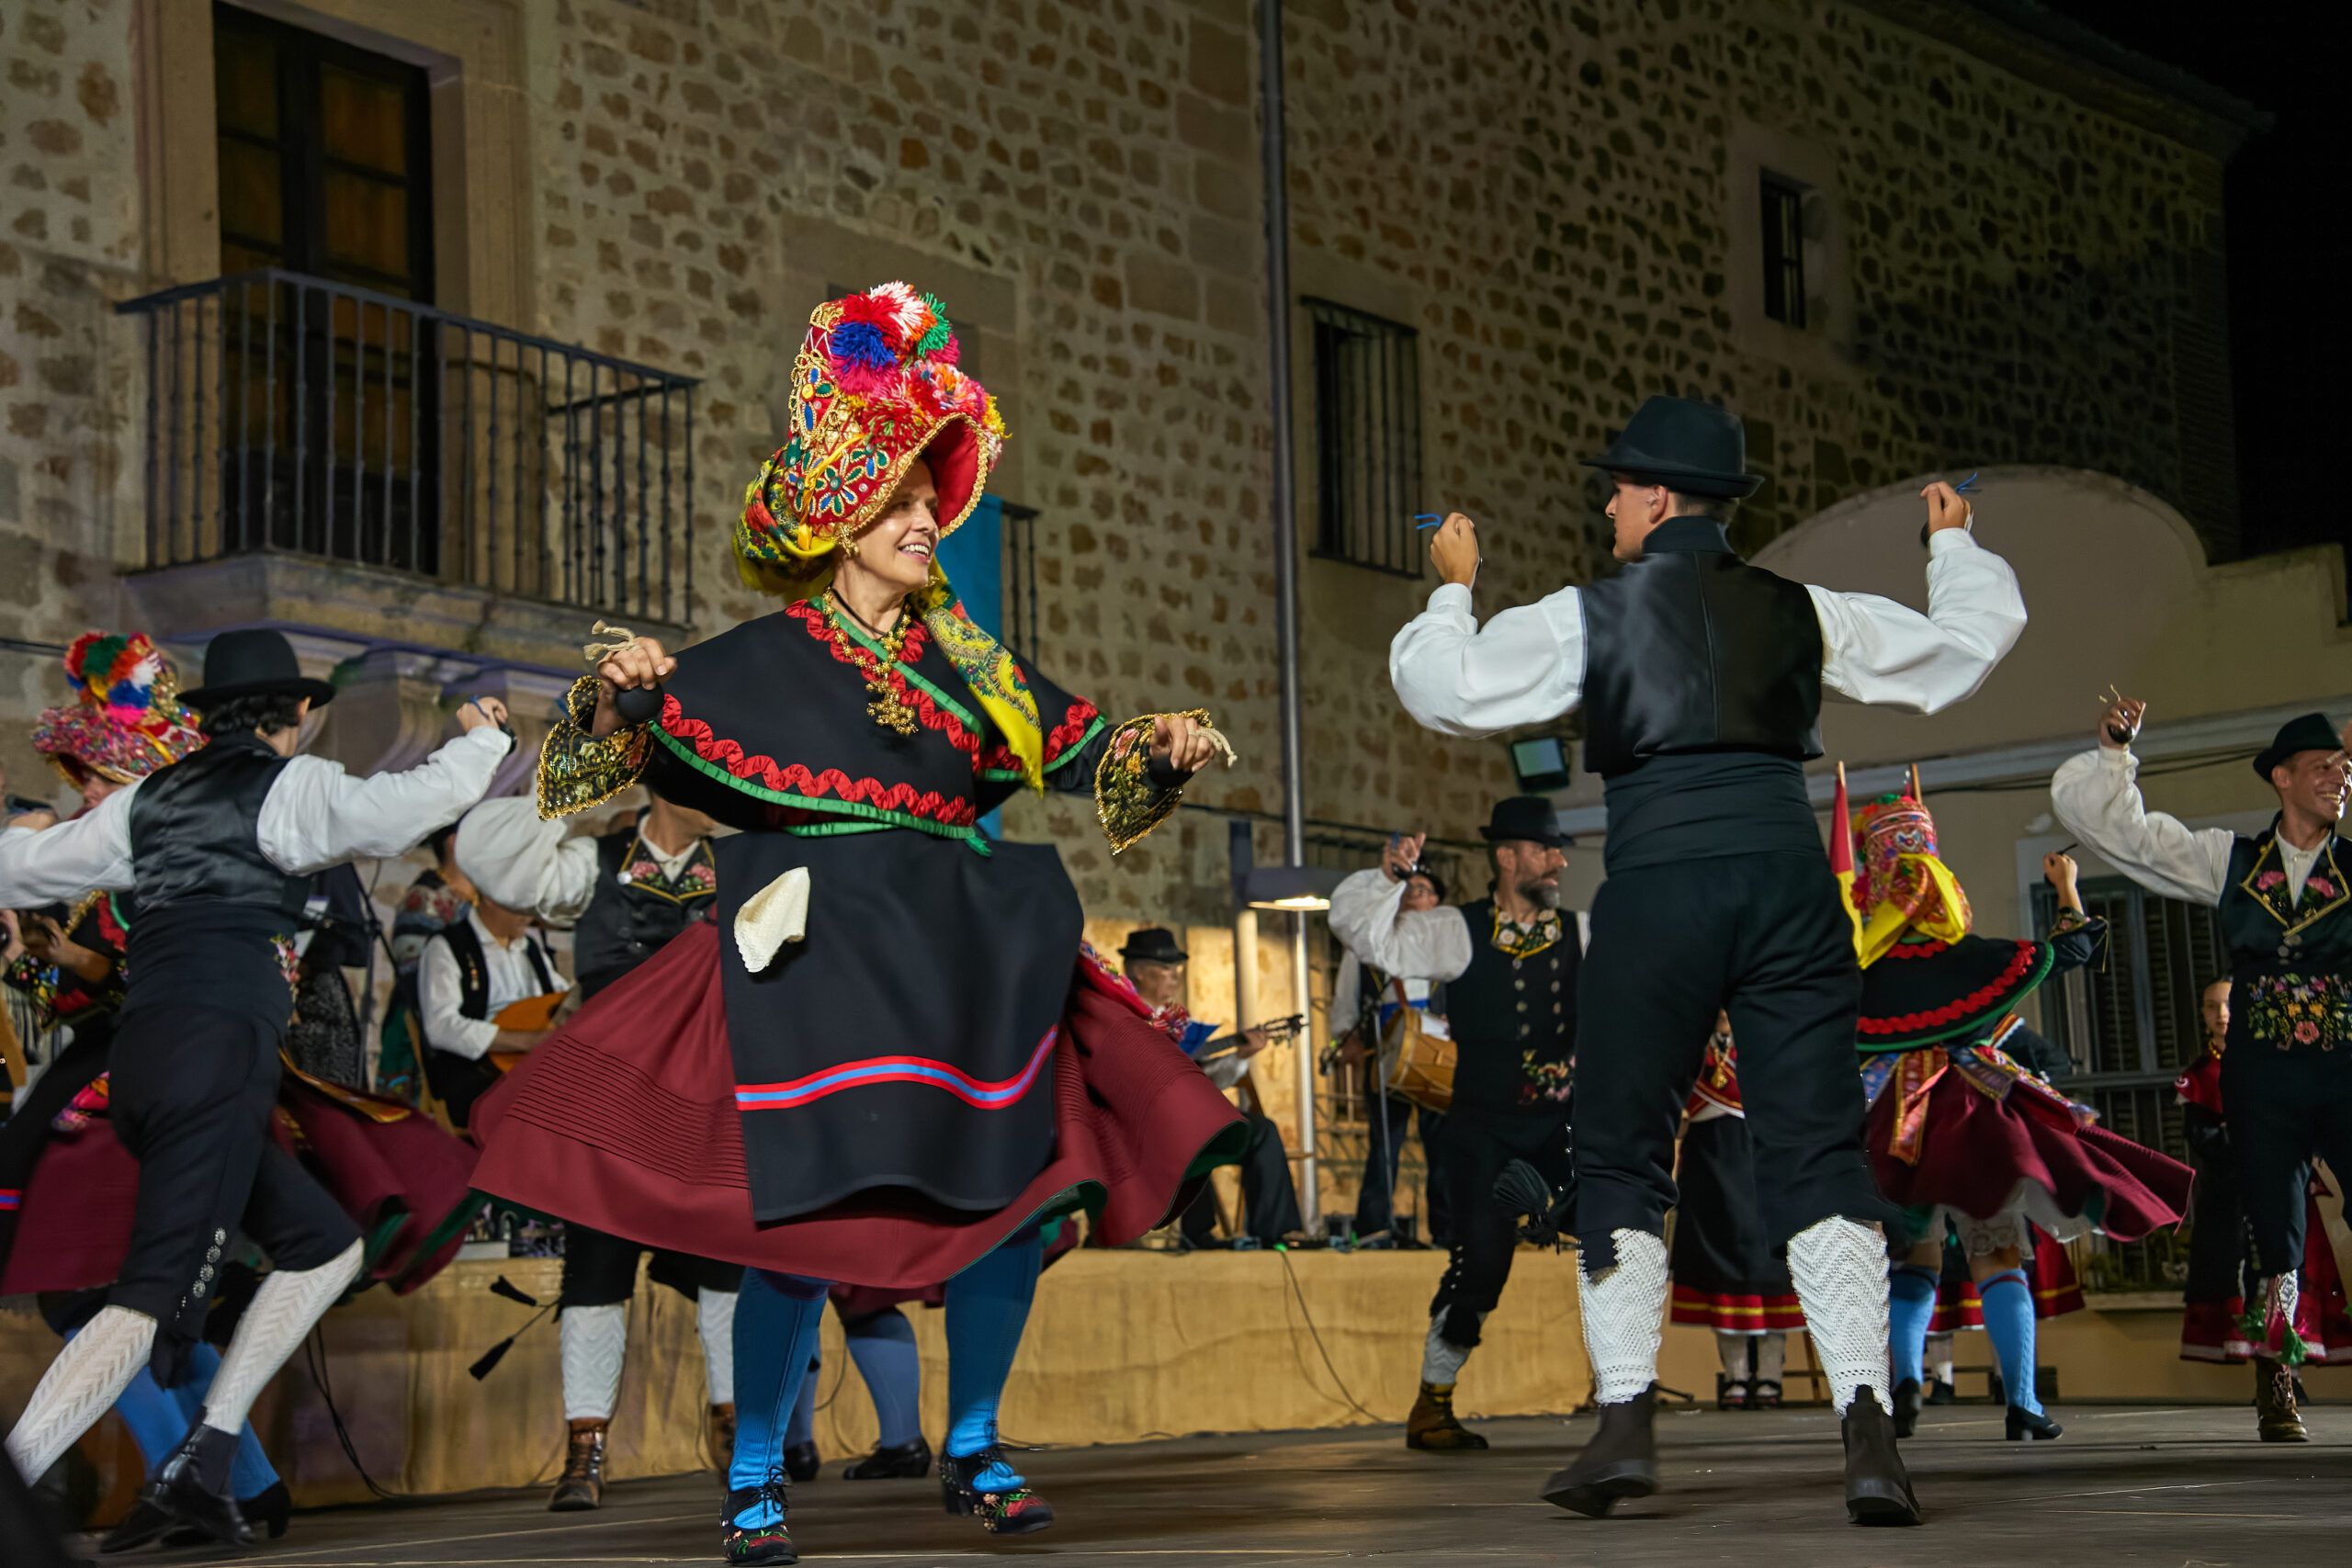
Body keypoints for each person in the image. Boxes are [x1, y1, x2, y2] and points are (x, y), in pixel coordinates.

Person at [464, 282, 1246, 1565]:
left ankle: (978, 1440)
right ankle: (760, 1466)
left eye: (930, 498)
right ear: (838, 524)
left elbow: (1088, 749)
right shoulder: (754, 662)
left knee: (1019, 1198)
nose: (927, 517)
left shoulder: (971, 666)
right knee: (808, 1225)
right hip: (821, 963)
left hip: (961, 955)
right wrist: (619, 696)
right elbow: (580, 774)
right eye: (897, 502)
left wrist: (1161, 743)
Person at [1388, 396, 2027, 1524]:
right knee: (1818, 1150)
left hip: (1662, 889)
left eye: (1618, 488)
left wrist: (1451, 584)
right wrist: (1953, 545)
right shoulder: (1802, 609)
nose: (1606, 505)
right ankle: (1869, 1435)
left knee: (1623, 1148)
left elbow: (1445, 690)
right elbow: (1957, 655)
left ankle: (1625, 1424)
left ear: (1657, 497)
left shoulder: (1590, 613)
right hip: (1786, 886)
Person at [0, 626, 510, 1551]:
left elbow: (23, 868)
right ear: (300, 715)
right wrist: (483, 737)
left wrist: (23, 831)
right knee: (147, 1295)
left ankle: (204, 1459)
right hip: (218, 1050)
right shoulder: (293, 786)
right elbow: (407, 810)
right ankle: (16, 1482)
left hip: (147, 1059)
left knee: (323, 1245)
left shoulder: (150, 799)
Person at [1840, 801, 2191, 1442]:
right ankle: (2023, 1400)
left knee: (1912, 1261)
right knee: (1997, 1255)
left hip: (1895, 1122)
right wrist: (2066, 888)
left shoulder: (1860, 979)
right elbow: (2072, 948)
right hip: (1974, 1117)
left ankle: (1906, 1382)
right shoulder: (1977, 960)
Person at [2055, 703, 2352, 1440]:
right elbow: (2129, 837)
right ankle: (2277, 1376)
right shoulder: (2230, 859)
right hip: (2261, 1074)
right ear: (2281, 778)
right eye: (2322, 767)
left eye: (2345, 769)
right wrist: (2117, 754)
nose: (2338, 779)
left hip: (2345, 1065)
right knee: (2276, 1230)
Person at [441, 789, 743, 1510]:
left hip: (704, 1090)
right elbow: (493, 862)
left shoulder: (739, 865)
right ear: (669, 784)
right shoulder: (591, 862)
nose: (724, 793)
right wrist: (574, 780)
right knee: (597, 1258)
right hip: (612, 1093)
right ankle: (585, 1447)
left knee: (727, 1258)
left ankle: (742, 1431)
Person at [1329, 797, 1578, 1454]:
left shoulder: (1583, 929)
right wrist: (1386, 880)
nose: (1557, 861)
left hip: (1565, 1130)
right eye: (1544, 849)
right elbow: (1366, 937)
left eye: (1557, 851)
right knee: (1481, 1267)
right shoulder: (1455, 929)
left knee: (1620, 1237)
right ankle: (1432, 1402)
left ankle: (1626, 1400)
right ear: (1506, 856)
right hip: (1486, 1129)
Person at [2174, 977, 2348, 1425]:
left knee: (2290, 1271)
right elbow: (2206, 1137)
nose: (2223, 1014)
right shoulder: (2204, 1073)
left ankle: (2284, 1370)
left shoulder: (2294, 1057)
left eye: (2229, 1005)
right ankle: (2277, 1380)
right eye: (2212, 1006)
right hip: (2239, 1193)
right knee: (2268, 1271)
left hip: (2290, 1180)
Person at [1120, 927, 1303, 1248]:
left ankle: (1275, 1233)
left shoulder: (1178, 1024)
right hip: (1137, 1125)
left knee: (1260, 1131)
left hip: (1182, 1120)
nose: (1174, 977)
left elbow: (1207, 1080)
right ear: (1136, 971)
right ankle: (1197, 1231)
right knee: (1186, 1131)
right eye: (1165, 968)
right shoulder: (1120, 1016)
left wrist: (1241, 1056)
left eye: (1176, 968)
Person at [1668, 1014, 1801, 1410]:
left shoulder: (1765, 1036)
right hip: (1709, 1166)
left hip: (1764, 1161)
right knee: (1721, 1269)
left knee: (1773, 1270)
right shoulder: (1691, 1044)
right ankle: (1736, 1376)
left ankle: (1771, 1378)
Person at [414, 807, 568, 1133]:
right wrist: (522, 1041)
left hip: (531, 1073)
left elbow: (560, 1001)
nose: (528, 917)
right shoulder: (446, 948)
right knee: (549, 1111)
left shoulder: (533, 949)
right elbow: (441, 1027)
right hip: (475, 1076)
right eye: (521, 906)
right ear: (493, 898)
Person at [1331, 866, 1452, 1247]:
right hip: (1387, 1053)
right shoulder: (1368, 947)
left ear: (1436, 901)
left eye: (1426, 890)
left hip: (1438, 1057)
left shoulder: (1450, 947)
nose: (1418, 895)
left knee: (1444, 1147)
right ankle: (1374, 1227)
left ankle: (1447, 1230)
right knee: (1385, 1141)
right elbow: (1345, 1001)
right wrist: (1348, 1040)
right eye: (1410, 890)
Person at [378, 822, 473, 1102]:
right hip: (421, 1024)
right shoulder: (424, 897)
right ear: (453, 842)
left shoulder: (479, 895)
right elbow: (414, 971)